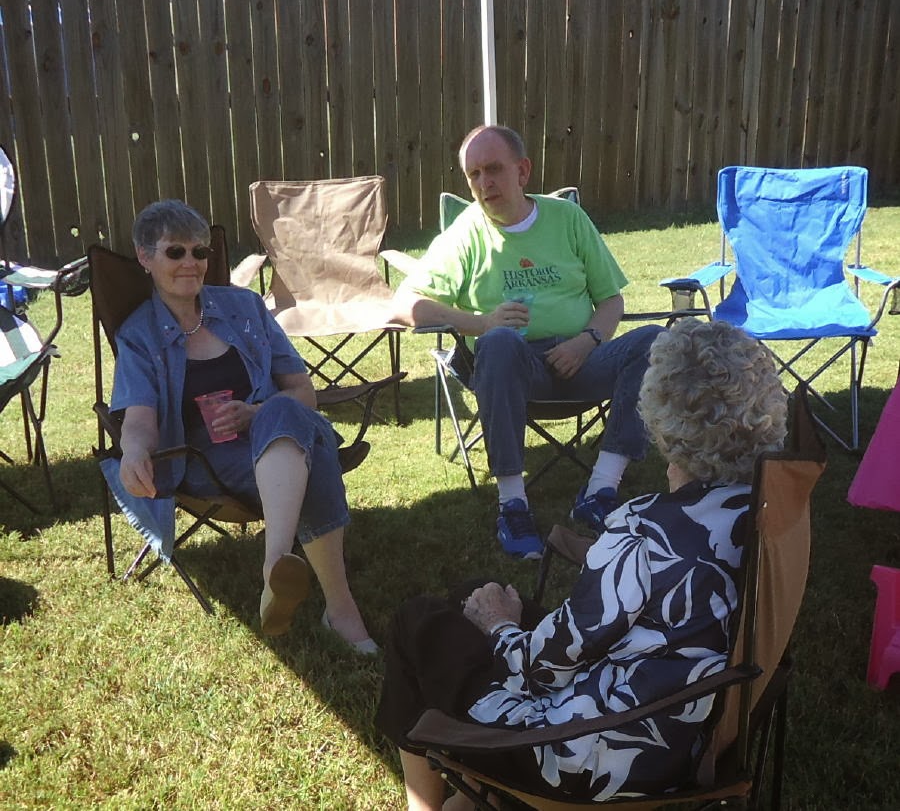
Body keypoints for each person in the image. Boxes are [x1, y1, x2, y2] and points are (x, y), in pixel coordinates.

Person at [375, 318, 789, 809]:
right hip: (690, 731)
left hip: (588, 757)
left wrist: (499, 627)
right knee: (474, 590)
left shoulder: (646, 530)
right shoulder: (765, 510)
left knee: (419, 621)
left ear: (660, 419)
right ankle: (468, 802)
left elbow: (542, 669)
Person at [111, 199, 376, 653]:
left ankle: (276, 565)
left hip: (276, 436)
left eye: (200, 252)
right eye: (175, 252)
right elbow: (139, 419)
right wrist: (133, 450)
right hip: (206, 460)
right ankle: (340, 609)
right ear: (144, 256)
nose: (191, 263)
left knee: (281, 413)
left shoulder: (245, 308)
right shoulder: (139, 335)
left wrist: (257, 413)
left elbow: (302, 391)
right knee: (314, 450)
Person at [391, 124, 663, 559]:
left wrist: (587, 341)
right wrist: (480, 323)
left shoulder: (567, 218)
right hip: (513, 371)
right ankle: (513, 505)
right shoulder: (466, 233)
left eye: (493, 169)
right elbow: (405, 304)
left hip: (582, 360)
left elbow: (611, 300)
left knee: (656, 342)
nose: (484, 183)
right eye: (474, 174)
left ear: (522, 171)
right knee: (499, 342)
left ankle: (601, 490)